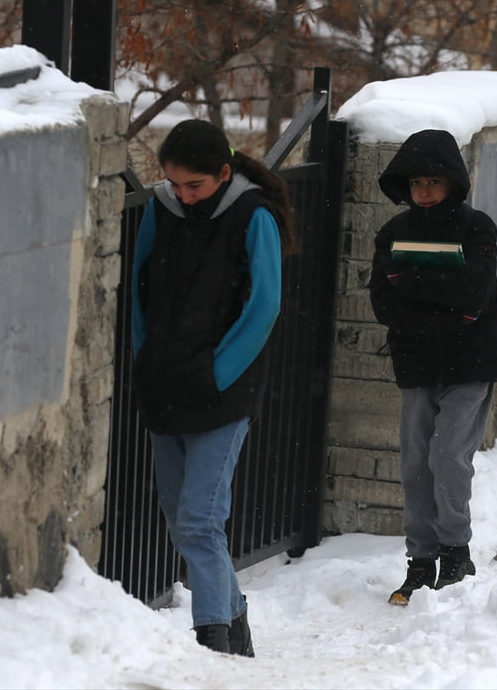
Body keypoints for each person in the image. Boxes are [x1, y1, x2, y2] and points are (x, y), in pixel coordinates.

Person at [130, 119, 295, 655]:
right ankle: (235, 613)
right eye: (175, 185)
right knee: (182, 520)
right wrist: (145, 357)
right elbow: (138, 289)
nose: (184, 195)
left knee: (201, 518)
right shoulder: (161, 209)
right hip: (165, 385)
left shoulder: (254, 215)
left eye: (195, 185)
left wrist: (217, 375)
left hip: (224, 394)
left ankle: (213, 640)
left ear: (224, 173)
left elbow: (264, 306)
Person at [368, 128, 497, 606]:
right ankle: (420, 562)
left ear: (452, 182)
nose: (424, 191)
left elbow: (474, 293)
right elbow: (384, 305)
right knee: (414, 462)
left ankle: (455, 554)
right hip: (416, 362)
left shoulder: (478, 228)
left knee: (448, 455)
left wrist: (411, 282)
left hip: (473, 359)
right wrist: (443, 304)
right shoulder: (392, 233)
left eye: (433, 181)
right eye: (415, 183)